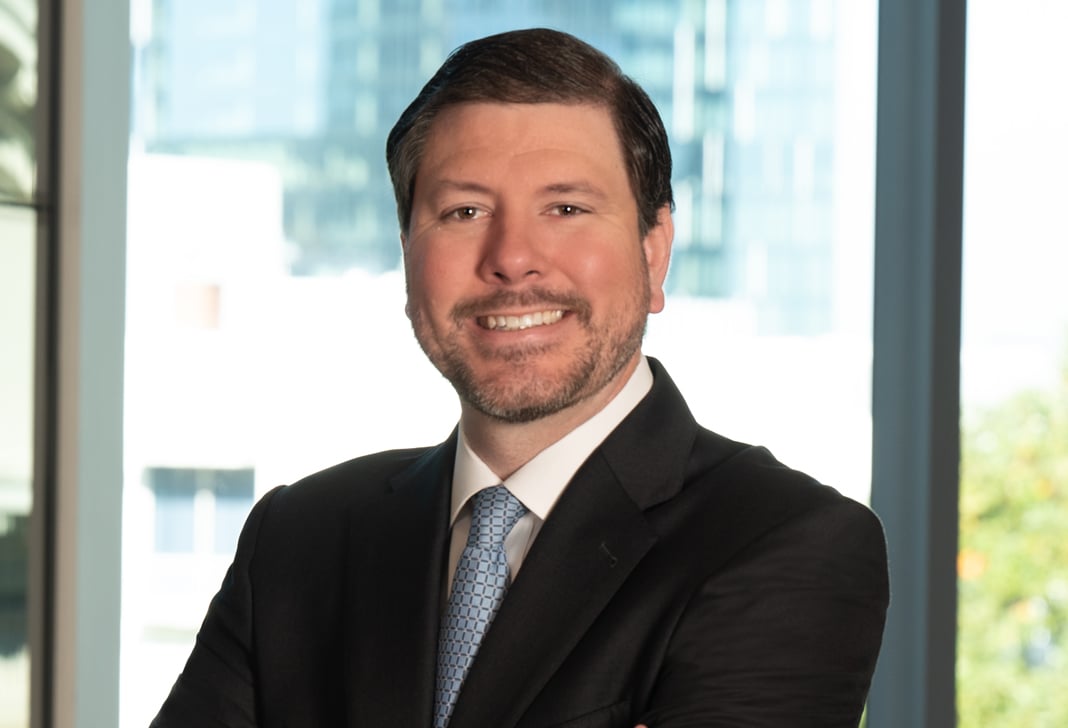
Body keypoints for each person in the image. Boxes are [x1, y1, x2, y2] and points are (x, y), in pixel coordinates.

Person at [151, 28, 889, 728]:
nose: (511, 258)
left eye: (566, 207)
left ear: (654, 251)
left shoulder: (787, 541)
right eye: (464, 211)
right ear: (408, 252)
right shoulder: (298, 538)